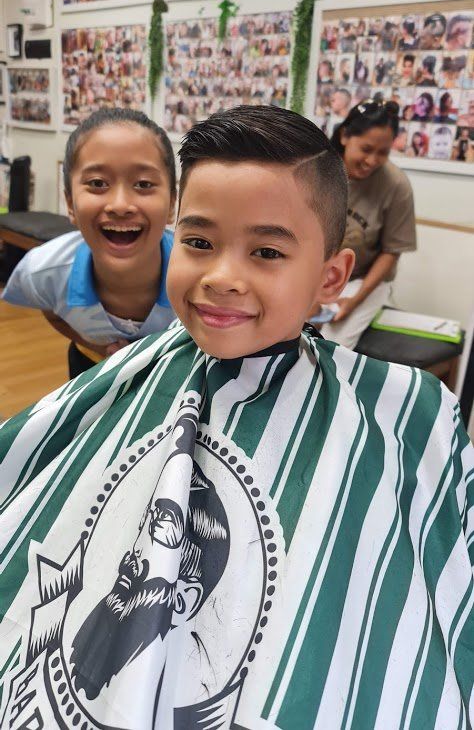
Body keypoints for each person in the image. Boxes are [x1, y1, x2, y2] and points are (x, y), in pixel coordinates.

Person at [0, 105, 472, 730]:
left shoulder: (404, 407)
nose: (222, 276)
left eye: (267, 251)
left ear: (330, 278)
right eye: (198, 242)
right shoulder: (136, 365)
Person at [2, 107, 176, 378]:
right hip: (91, 368)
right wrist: (95, 344)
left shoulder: (202, 277)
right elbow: (53, 310)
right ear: (70, 203)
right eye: (97, 183)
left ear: (172, 204)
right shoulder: (45, 272)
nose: (120, 205)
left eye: (143, 184)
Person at [319, 100, 416, 349]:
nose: (372, 160)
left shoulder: (396, 186)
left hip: (362, 280)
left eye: (383, 152)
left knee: (331, 344)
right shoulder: (317, 171)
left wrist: (353, 301)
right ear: (344, 136)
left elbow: (391, 252)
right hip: (316, 270)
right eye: (366, 148)